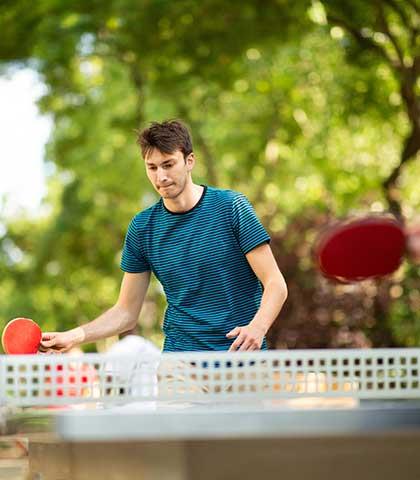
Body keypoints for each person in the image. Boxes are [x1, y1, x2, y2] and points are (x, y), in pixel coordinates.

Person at [40, 120, 288, 354]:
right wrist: (73, 336)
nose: (161, 177)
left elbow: (275, 284)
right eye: (152, 167)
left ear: (190, 161)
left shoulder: (231, 207)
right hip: (181, 361)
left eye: (168, 164)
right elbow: (126, 311)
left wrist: (258, 327)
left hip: (242, 357)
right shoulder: (142, 228)